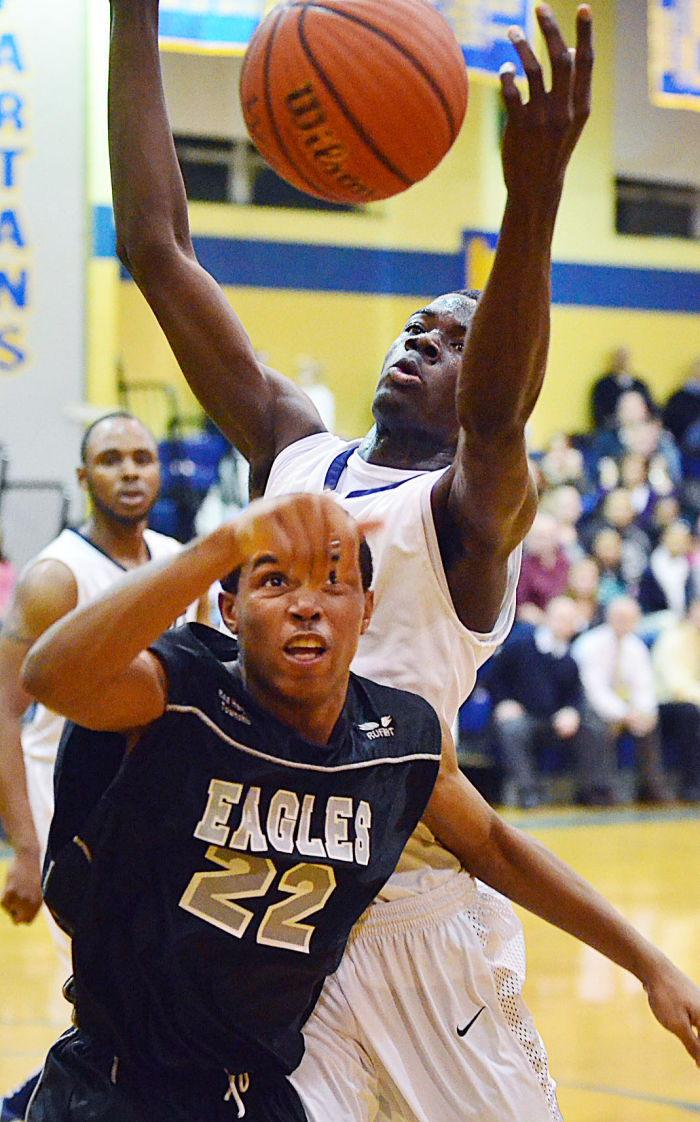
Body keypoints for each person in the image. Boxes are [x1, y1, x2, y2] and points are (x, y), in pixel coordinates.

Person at [88, 0, 700, 1117]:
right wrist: (135, 10)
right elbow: (159, 253)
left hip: (423, 917)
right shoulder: (295, 446)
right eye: (417, 323)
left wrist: (530, 199)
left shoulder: (469, 516)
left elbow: (500, 411)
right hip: (276, 911)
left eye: (455, 334)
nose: (423, 336)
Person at [20, 491, 700, 1121]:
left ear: (368, 610)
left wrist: (651, 964)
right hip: (114, 1083)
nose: (306, 605)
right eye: (274, 580)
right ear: (229, 610)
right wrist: (221, 544)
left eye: (333, 582)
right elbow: (51, 674)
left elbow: (495, 847)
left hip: (255, 1087)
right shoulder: (181, 695)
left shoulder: (398, 741)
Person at [0, 412, 208, 1122]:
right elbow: (4, 710)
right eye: (111, 459)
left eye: (142, 458)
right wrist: (27, 849)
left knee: (153, 998)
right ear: (85, 478)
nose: (130, 471)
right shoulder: (56, 577)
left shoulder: (184, 562)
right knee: (115, 996)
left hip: (170, 811)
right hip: (80, 818)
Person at [483, 595, 615, 808]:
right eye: (560, 618)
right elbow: (494, 679)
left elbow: (575, 693)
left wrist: (571, 711)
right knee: (512, 729)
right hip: (522, 715)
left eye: (570, 620)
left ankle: (594, 791)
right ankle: (528, 792)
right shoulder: (520, 645)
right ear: (547, 618)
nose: (565, 624)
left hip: (554, 720)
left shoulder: (569, 656)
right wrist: (504, 702)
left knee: (594, 728)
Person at [570, 596, 671, 804]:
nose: (625, 622)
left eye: (630, 618)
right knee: (596, 727)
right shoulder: (590, 644)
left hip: (626, 708)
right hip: (590, 705)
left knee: (650, 724)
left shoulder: (636, 647)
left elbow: (644, 686)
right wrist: (625, 713)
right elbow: (593, 690)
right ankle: (599, 791)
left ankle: (650, 787)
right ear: (609, 617)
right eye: (620, 617)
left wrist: (644, 712)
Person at [651, 597, 700, 802]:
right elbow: (677, 687)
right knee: (689, 713)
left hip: (693, 702)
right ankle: (691, 785)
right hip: (666, 705)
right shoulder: (674, 639)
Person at [589, 346, 654, 431]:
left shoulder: (639, 385)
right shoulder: (602, 386)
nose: (622, 362)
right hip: (612, 431)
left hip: (640, 430)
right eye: (619, 358)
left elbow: (651, 410)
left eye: (624, 358)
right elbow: (598, 415)